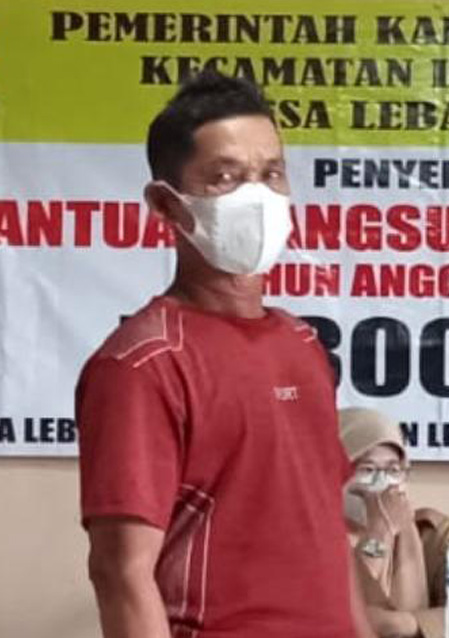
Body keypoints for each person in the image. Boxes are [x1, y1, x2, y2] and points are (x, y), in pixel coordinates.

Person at [76, 71, 376, 638]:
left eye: (271, 174)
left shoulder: (301, 344)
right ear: (166, 205)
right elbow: (120, 573)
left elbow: (331, 535)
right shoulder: (143, 365)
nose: (256, 196)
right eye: (225, 178)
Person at [339, 407, 449, 638]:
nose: (384, 483)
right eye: (367, 469)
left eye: (393, 470)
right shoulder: (310, 543)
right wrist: (379, 533)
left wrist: (408, 623)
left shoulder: (434, 534)